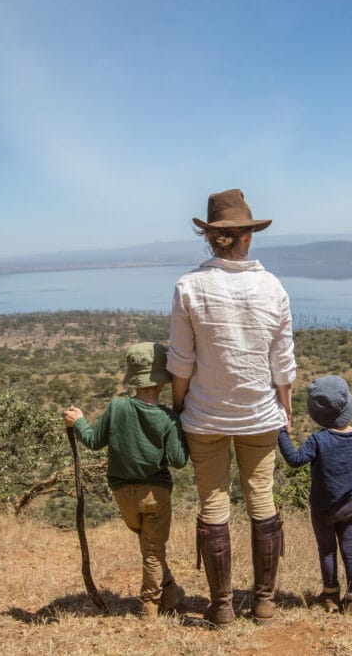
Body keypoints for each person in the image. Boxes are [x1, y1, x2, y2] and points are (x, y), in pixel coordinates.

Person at [167, 188, 297, 626]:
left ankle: (221, 606)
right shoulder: (272, 286)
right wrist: (286, 409)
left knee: (214, 506)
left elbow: (181, 363)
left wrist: (180, 408)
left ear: (211, 237)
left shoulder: (189, 287)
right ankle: (264, 602)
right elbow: (283, 365)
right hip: (260, 414)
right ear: (248, 237)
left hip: (205, 416)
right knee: (262, 502)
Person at [63, 342, 189, 620]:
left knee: (149, 547)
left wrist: (79, 421)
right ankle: (150, 607)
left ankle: (171, 592)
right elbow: (179, 460)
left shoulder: (117, 407)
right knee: (153, 551)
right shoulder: (168, 418)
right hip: (157, 493)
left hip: (123, 494)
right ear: (162, 380)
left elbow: (95, 441)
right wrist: (184, 426)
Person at [277, 375, 352, 615]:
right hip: (350, 504)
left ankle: (330, 596)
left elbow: (295, 460)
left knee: (327, 550)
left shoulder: (318, 440)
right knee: (351, 548)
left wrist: (280, 432)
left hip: (323, 508)